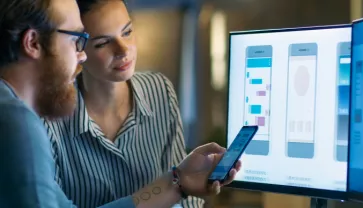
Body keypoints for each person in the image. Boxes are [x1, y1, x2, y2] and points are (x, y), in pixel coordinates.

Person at [0, 0, 241, 207]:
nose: (81, 55)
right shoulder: (21, 121)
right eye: (78, 40)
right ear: (32, 43)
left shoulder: (159, 90)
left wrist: (178, 182)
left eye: (127, 32)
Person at [43, 0, 209, 207]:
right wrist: (178, 184)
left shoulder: (159, 90)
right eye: (103, 43)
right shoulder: (49, 116)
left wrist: (188, 184)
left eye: (127, 32)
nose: (123, 50)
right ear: (77, 50)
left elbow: (185, 195)